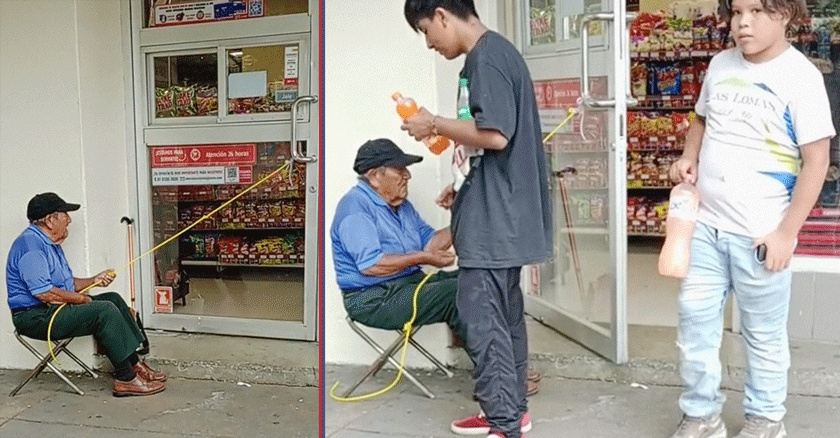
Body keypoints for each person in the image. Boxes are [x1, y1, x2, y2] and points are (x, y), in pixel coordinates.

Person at [667, 0, 835, 436]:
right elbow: (701, 121)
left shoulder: (801, 77)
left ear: (787, 15)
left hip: (761, 235)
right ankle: (701, 416)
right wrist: (688, 156)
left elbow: (816, 162)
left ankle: (765, 421)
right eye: (737, 11)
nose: (743, 22)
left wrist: (786, 233)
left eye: (758, 11)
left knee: (762, 336)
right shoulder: (720, 64)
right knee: (695, 326)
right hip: (706, 226)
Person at [401, 2, 553, 437]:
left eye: (427, 31)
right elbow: (486, 144)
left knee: (482, 321)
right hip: (495, 211)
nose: (430, 43)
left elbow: (496, 133)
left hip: (495, 222)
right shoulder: (492, 56)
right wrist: (464, 181)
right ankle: (510, 410)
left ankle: (504, 423)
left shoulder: (486, 58)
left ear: (444, 15)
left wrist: (435, 122)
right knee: (504, 318)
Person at [7, 192, 167, 397]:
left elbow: (67, 284)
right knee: (103, 311)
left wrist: (94, 280)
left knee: (112, 299)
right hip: (35, 317)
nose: (69, 219)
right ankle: (125, 378)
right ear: (50, 220)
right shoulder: (31, 247)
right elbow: (44, 293)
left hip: (51, 309)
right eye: (65, 214)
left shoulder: (50, 244)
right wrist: (83, 299)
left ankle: (135, 364)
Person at [331, 139, 464, 342]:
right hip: (371, 299)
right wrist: (424, 258)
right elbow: (372, 265)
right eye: (400, 169)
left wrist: (461, 212)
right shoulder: (355, 208)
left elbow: (430, 245)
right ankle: (497, 367)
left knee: (480, 278)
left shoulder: (402, 206)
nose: (407, 175)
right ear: (375, 176)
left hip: (408, 284)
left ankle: (501, 362)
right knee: (459, 291)